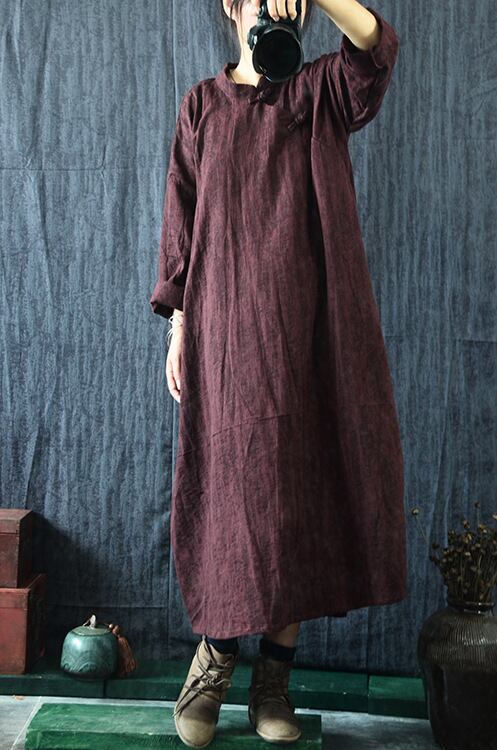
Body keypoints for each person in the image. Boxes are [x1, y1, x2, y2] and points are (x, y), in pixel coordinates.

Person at [150, 0, 408, 746]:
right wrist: (178, 327)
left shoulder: (316, 93)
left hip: (311, 337)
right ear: (232, 7)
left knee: (295, 498)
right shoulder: (201, 107)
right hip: (226, 339)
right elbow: (181, 227)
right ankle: (214, 659)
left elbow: (375, 49)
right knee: (232, 498)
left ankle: (274, 680)